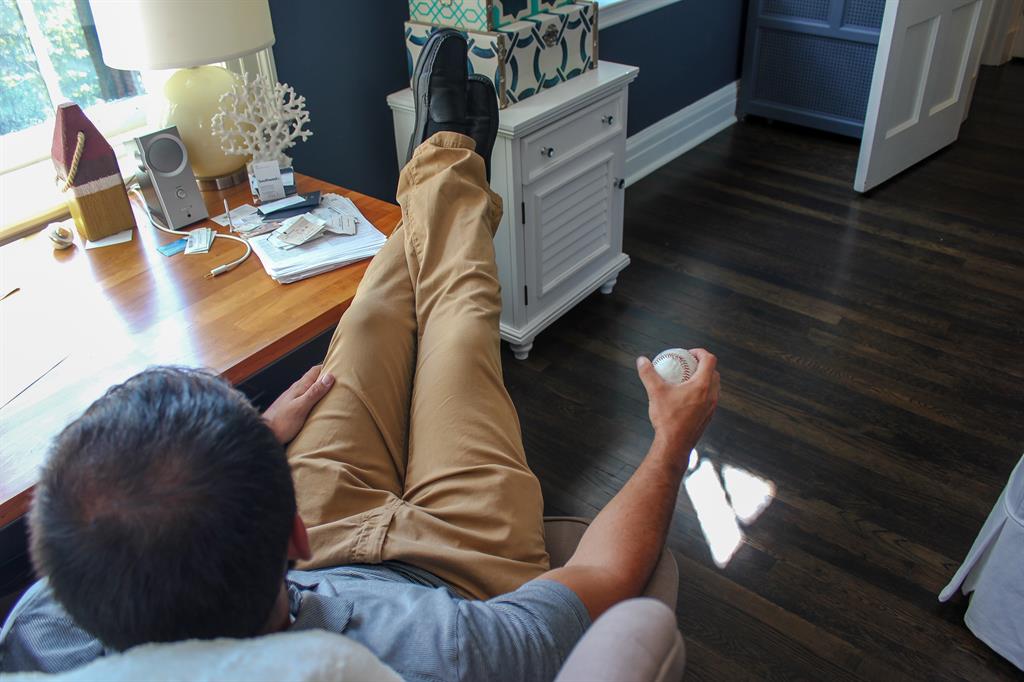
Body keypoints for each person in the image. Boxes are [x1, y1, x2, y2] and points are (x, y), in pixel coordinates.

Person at [0, 30, 719, 681]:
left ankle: (439, 168)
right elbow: (604, 571)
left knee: (371, 320)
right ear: (291, 531)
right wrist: (671, 441)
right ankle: (445, 159)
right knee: (460, 322)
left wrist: (260, 438)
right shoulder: (449, 650)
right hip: (462, 569)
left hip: (321, 531)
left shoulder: (40, 634)